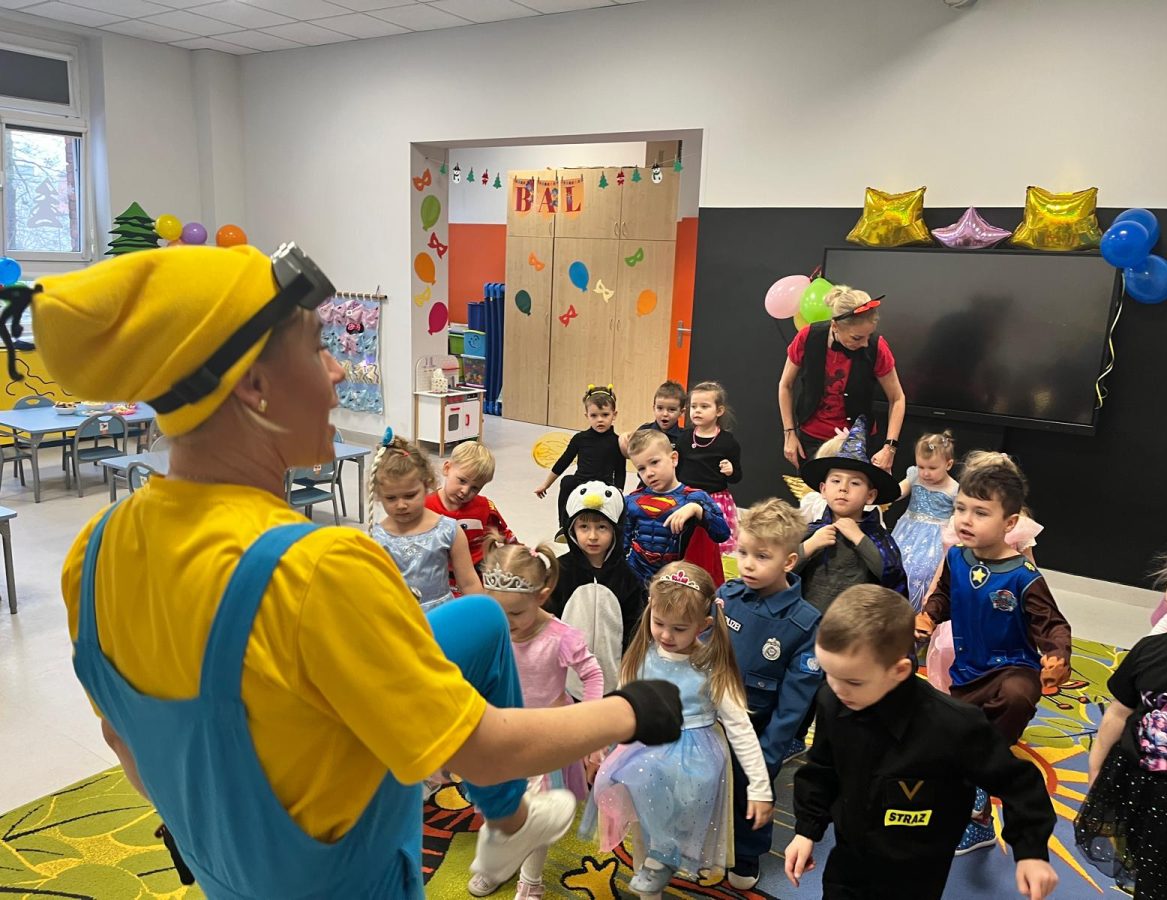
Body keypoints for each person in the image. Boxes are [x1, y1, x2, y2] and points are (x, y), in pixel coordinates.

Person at [27, 244, 684, 899]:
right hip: (344, 882)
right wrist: (629, 710)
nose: (339, 369)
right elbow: (485, 749)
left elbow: (125, 742)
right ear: (255, 387)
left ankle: (509, 823)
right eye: (318, 347)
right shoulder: (319, 570)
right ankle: (509, 815)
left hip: (224, 871)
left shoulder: (95, 550)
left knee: (483, 618)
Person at [784, 585, 1059, 900]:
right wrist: (807, 831)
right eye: (829, 674)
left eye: (853, 681)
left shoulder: (955, 726)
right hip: (849, 862)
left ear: (899, 670)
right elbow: (822, 769)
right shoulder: (834, 700)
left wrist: (1031, 853)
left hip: (916, 874)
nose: (836, 689)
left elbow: (1019, 785)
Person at [583, 562, 774, 897]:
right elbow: (623, 706)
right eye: (659, 623)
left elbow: (741, 729)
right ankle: (651, 885)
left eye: (679, 628)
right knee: (642, 828)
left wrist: (760, 788)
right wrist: (600, 744)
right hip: (641, 752)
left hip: (690, 763)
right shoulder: (642, 655)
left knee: (666, 829)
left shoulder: (711, 666)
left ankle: (665, 853)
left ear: (704, 625)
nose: (666, 636)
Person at [915, 455, 1071, 855]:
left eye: (980, 512)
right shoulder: (957, 557)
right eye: (961, 508)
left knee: (1010, 704)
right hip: (967, 672)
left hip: (1012, 671)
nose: (965, 520)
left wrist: (1056, 656)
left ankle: (983, 789)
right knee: (950, 743)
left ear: (1010, 523)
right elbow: (944, 596)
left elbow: (1053, 624)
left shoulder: (1024, 577)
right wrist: (929, 616)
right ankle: (975, 815)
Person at [468, 536, 605, 900]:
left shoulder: (560, 637)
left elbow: (593, 674)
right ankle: (497, 864)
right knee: (498, 803)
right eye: (498, 612)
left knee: (535, 815)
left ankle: (531, 879)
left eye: (515, 614)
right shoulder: (492, 628)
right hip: (500, 732)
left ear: (541, 596)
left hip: (545, 740)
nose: (506, 622)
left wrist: (591, 729)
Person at [1075, 532, 1167, 899]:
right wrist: (1096, 767)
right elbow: (1118, 713)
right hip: (1144, 792)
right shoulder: (1149, 652)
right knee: (1151, 874)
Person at [718, 498, 823, 891]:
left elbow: (793, 706)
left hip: (758, 732)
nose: (747, 564)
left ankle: (746, 854)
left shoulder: (804, 624)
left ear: (789, 561)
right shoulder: (727, 595)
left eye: (762, 556)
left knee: (749, 798)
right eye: (743, 552)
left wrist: (766, 757)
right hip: (709, 723)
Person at [927, 450, 1044, 692]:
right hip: (964, 600)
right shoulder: (960, 523)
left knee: (995, 652)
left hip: (1000, 606)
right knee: (950, 647)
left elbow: (1029, 565)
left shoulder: (1020, 526)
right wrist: (932, 592)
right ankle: (951, 693)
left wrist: (1031, 604)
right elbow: (947, 562)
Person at [778, 285, 906, 472]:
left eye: (869, 336)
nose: (865, 343)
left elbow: (897, 398)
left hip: (858, 441)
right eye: (856, 338)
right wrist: (789, 434)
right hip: (811, 440)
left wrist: (890, 447)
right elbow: (785, 385)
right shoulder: (808, 337)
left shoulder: (877, 347)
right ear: (835, 326)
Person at [798, 416, 908, 613]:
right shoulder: (812, 532)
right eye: (836, 481)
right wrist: (810, 545)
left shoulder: (877, 537)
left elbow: (890, 574)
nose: (843, 488)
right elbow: (782, 569)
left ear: (870, 495)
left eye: (855, 483)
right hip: (807, 622)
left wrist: (859, 538)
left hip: (855, 624)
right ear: (823, 489)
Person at [547, 480, 645, 700]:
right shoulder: (560, 571)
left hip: (612, 680)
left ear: (615, 530)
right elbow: (548, 620)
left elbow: (634, 629)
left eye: (602, 527)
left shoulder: (627, 579)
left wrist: (629, 670)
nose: (592, 536)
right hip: (565, 681)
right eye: (584, 527)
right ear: (571, 529)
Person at [368, 430, 483, 611]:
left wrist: (484, 617)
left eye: (410, 495)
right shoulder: (376, 538)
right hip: (399, 619)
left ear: (427, 484)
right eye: (391, 498)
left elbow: (469, 583)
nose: (401, 505)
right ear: (378, 495)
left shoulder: (448, 530)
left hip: (441, 618)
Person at [623, 428, 730, 587]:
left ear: (674, 459)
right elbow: (622, 544)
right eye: (641, 468)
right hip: (635, 578)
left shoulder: (695, 498)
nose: (649, 473)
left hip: (675, 582)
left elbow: (722, 533)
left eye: (654, 462)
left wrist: (697, 510)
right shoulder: (632, 500)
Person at [534, 384, 626, 531]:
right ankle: (564, 527)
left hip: (604, 486)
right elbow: (563, 462)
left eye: (605, 415)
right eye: (594, 415)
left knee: (620, 500)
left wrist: (619, 491)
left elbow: (620, 471)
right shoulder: (580, 439)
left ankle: (615, 532)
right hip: (581, 483)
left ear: (614, 415)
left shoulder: (618, 441)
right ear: (586, 415)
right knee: (567, 481)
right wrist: (545, 485)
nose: (600, 420)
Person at [425, 440, 517, 583]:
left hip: (476, 577)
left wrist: (523, 555)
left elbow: (505, 535)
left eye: (475, 488)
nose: (465, 491)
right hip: (437, 579)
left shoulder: (485, 507)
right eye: (462, 480)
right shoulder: (425, 506)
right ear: (447, 468)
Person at [892, 430, 958, 610]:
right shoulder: (915, 476)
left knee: (922, 572)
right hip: (907, 530)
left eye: (932, 468)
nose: (926, 473)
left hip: (934, 538)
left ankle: (915, 610)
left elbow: (959, 515)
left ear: (948, 464)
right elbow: (898, 492)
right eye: (921, 467)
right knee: (896, 563)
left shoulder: (953, 488)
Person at [676, 380, 742, 555]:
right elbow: (677, 469)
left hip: (714, 500)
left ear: (719, 411)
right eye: (693, 406)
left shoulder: (728, 442)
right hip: (686, 497)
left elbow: (737, 477)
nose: (697, 411)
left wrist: (731, 471)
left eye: (704, 406)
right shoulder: (684, 438)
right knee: (685, 539)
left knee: (711, 544)